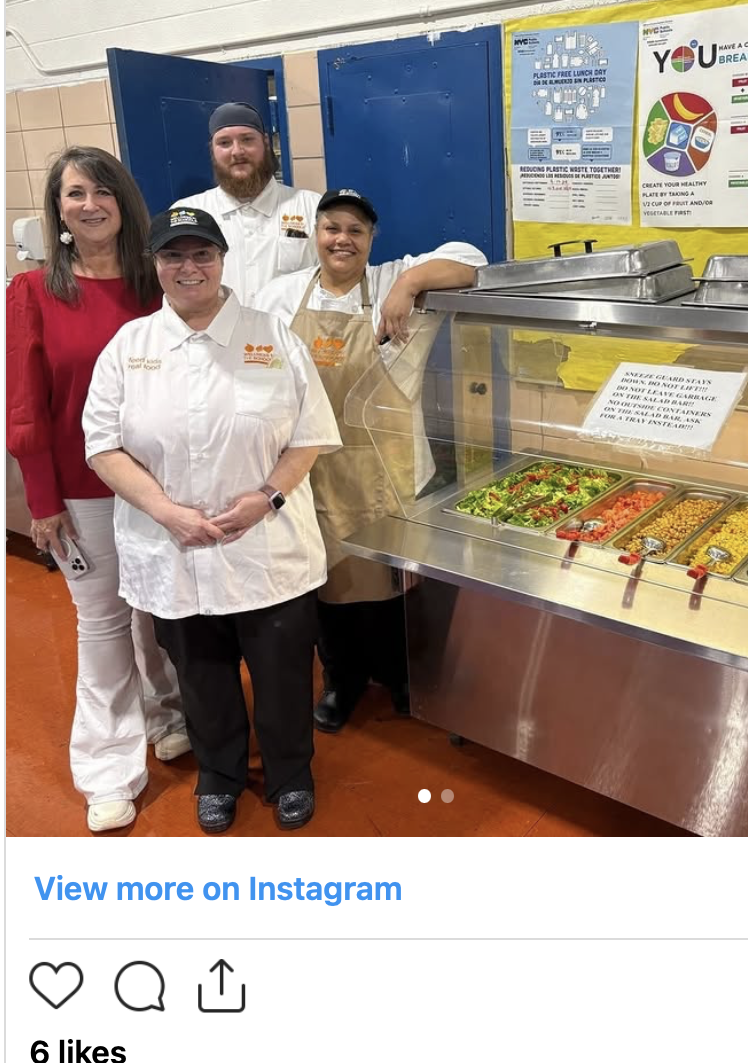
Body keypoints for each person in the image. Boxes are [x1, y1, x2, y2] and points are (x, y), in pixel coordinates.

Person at [83, 207, 342, 836]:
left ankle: (290, 774)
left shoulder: (272, 336)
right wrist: (165, 511)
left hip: (268, 547)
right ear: (156, 264)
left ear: (223, 261)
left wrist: (267, 497)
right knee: (200, 675)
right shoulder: (130, 347)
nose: (188, 267)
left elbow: (309, 434)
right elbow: (102, 445)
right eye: (173, 255)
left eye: (202, 254)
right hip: (172, 548)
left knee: (282, 674)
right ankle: (220, 775)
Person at [6, 146, 191, 834]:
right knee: (105, 623)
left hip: (157, 488)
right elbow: (24, 407)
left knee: (157, 610)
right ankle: (108, 769)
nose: (90, 205)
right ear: (57, 209)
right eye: (75, 193)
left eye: (102, 191)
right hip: (82, 492)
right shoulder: (32, 293)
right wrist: (42, 500)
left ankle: (166, 715)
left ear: (124, 201)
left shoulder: (155, 283)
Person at [253, 188, 487, 733]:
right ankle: (342, 681)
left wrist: (408, 285)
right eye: (332, 228)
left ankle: (401, 678)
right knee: (326, 583)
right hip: (312, 467)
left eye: (355, 231)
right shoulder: (280, 295)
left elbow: (473, 261)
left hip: (388, 464)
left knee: (393, 585)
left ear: (372, 238)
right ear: (316, 234)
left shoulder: (388, 279)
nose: (343, 240)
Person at [172, 102, 320, 304]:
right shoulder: (188, 213)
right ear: (212, 150)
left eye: (247, 139)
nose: (237, 151)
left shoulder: (311, 208)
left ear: (265, 143)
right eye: (224, 143)